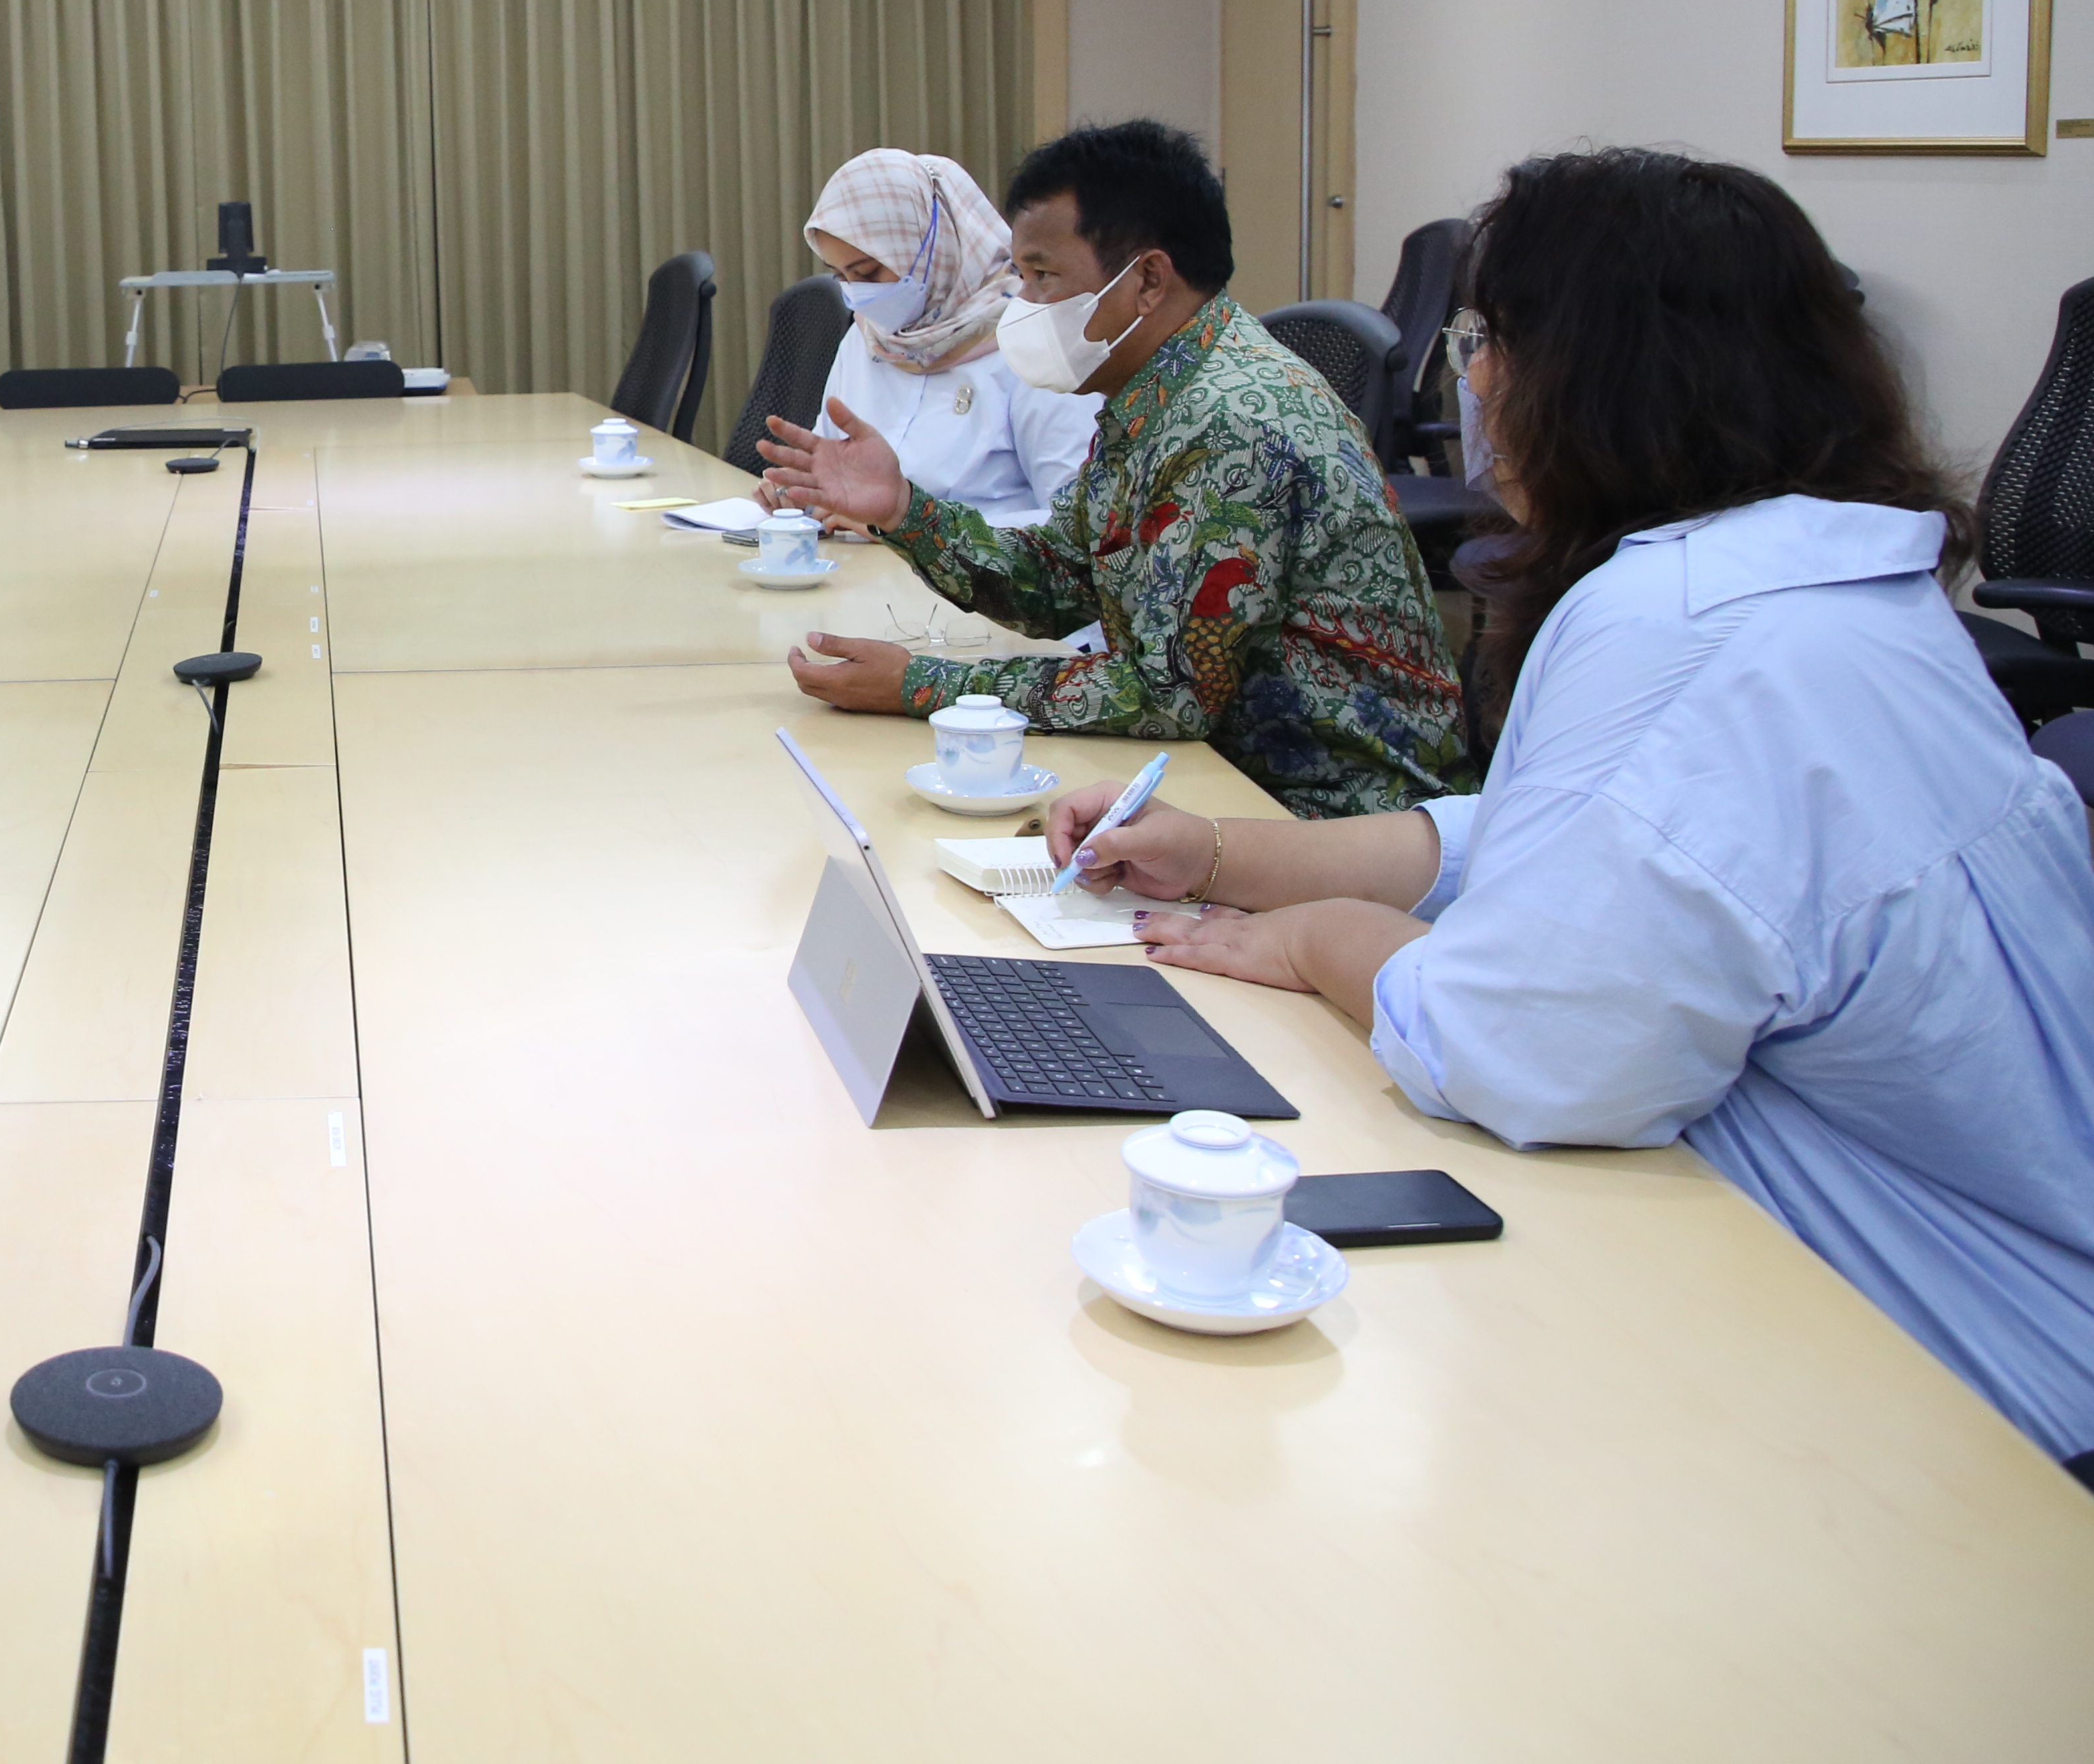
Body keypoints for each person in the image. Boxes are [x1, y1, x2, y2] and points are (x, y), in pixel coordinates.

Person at [1055, 149, 2094, 1477]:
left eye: (1488, 340)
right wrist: (1223, 854)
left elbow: (1520, 1058)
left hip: (1965, 1388)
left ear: (1596, 369)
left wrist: (1316, 942)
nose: (1471, 380)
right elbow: (1554, 832)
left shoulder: (1674, 621)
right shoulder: (1822, 581)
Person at [760, 118, 1465, 817]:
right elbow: (1059, 581)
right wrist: (903, 511)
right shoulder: (1156, 392)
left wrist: (924, 686)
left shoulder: (1229, 420)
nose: (1022, 305)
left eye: (1042, 277)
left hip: (1331, 812)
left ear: (1149, 280)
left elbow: (1168, 695)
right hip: (1223, 773)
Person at [798, 146, 1100, 529]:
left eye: (869, 274)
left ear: (933, 249)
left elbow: (1076, 526)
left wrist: (910, 528)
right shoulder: (867, 338)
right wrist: (800, 495)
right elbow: (828, 458)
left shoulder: (1033, 341)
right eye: (842, 276)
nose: (858, 296)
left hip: (980, 585)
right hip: (859, 576)